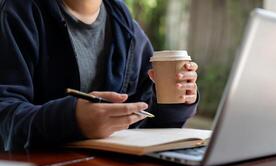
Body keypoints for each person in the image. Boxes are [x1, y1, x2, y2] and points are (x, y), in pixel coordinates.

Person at [0, 0, 199, 151]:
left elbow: (145, 123)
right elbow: (5, 119)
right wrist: (72, 120)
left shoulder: (126, 28)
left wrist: (176, 104)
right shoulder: (16, 13)